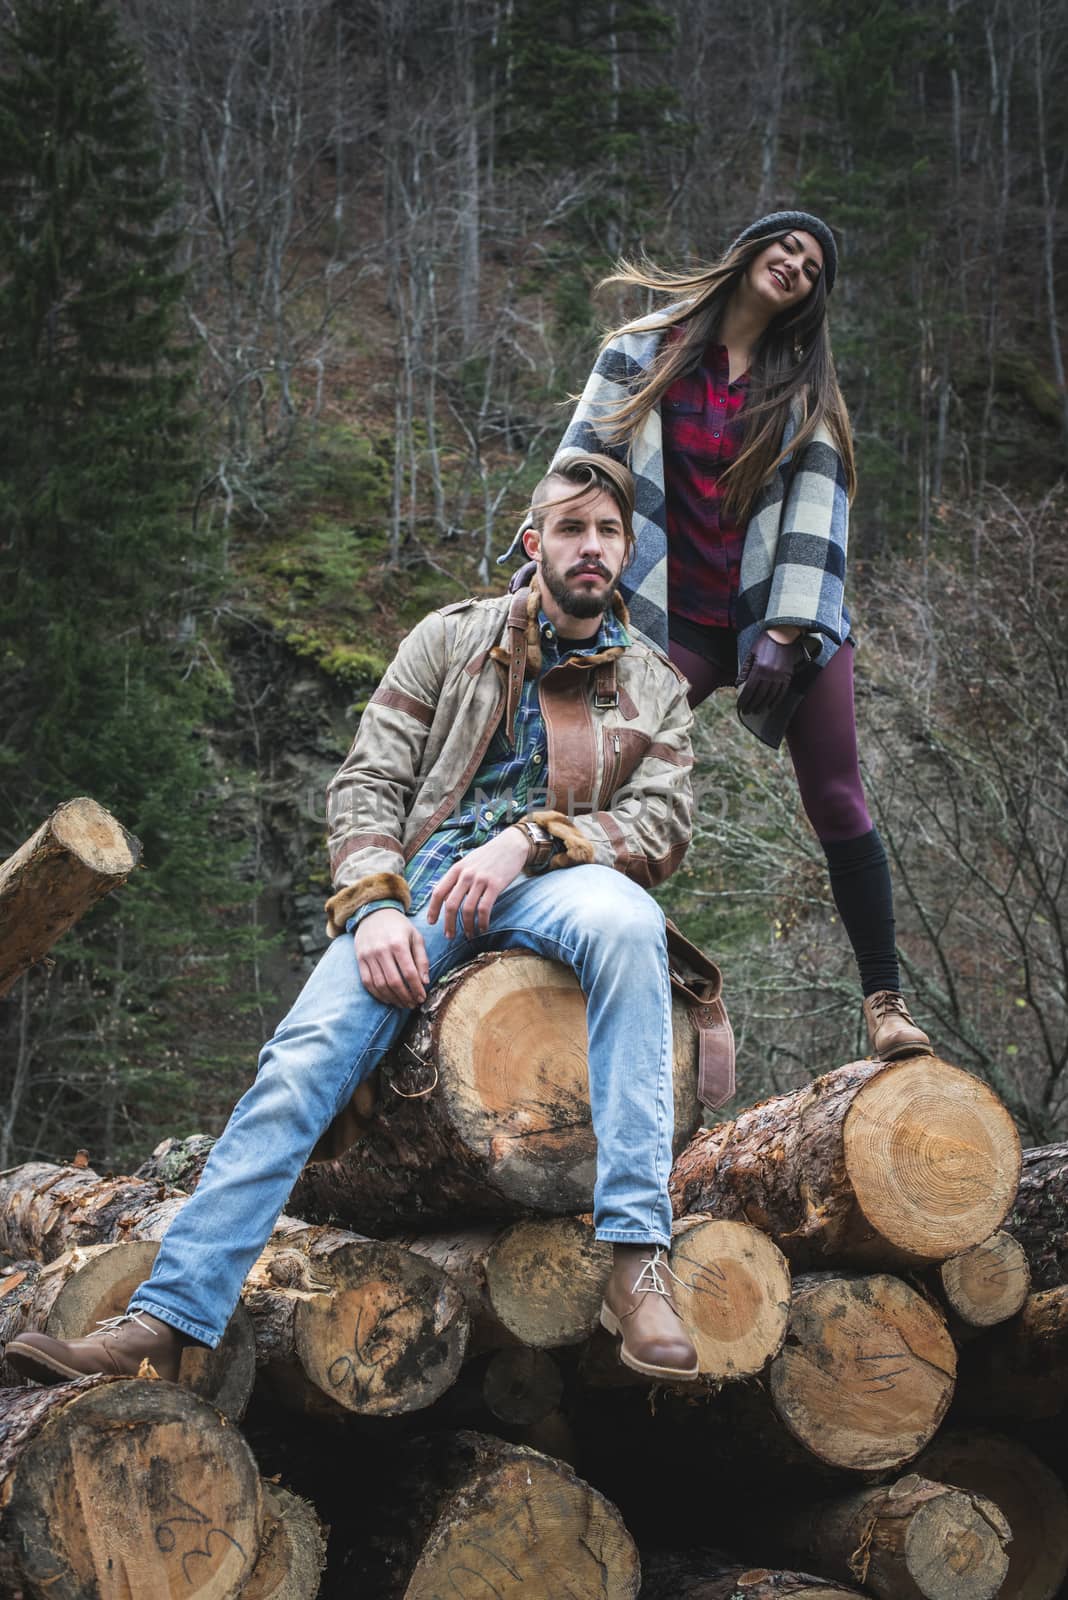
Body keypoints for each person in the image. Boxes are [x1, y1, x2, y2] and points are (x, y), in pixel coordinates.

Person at [6, 453, 707, 1387]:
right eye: (571, 528)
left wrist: (531, 843)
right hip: (420, 883)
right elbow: (369, 780)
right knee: (302, 1061)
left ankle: (635, 1263)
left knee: (627, 922)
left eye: (608, 532)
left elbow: (662, 826)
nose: (590, 547)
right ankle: (169, 1317)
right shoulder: (446, 639)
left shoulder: (653, 686)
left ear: (625, 552)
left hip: (552, 879)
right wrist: (375, 907)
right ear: (534, 542)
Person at [508, 211, 930, 1061]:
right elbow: (581, 460)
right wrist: (533, 574)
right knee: (592, 770)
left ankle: (885, 1004)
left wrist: (788, 624)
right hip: (673, 608)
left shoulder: (804, 387)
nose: (796, 266)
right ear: (751, 252)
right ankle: (530, 966)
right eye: (787, 248)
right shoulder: (645, 349)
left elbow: (821, 506)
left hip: (781, 605)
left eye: (813, 268)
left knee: (838, 796)